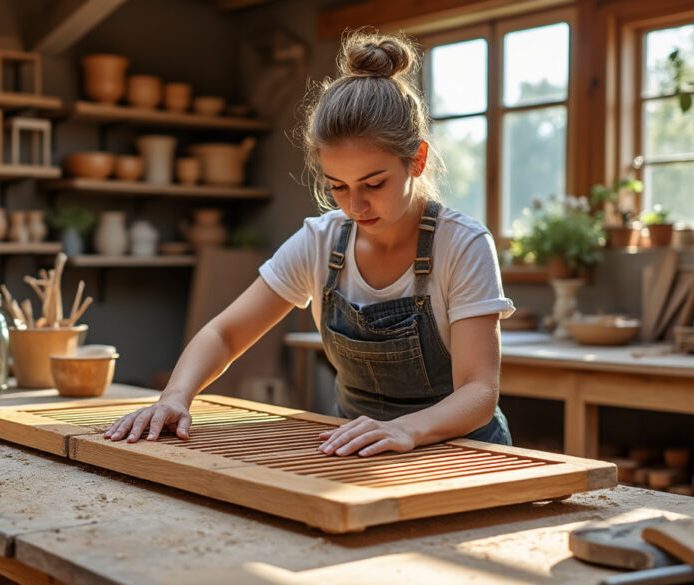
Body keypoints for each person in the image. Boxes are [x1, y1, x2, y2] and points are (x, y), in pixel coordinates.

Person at [104, 30, 515, 457]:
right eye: (337, 186)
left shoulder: (463, 245)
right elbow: (225, 334)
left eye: (374, 183)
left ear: (418, 159)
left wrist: (406, 430)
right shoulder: (320, 241)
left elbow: (480, 391)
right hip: (360, 450)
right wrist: (175, 396)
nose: (355, 204)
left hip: (464, 452)